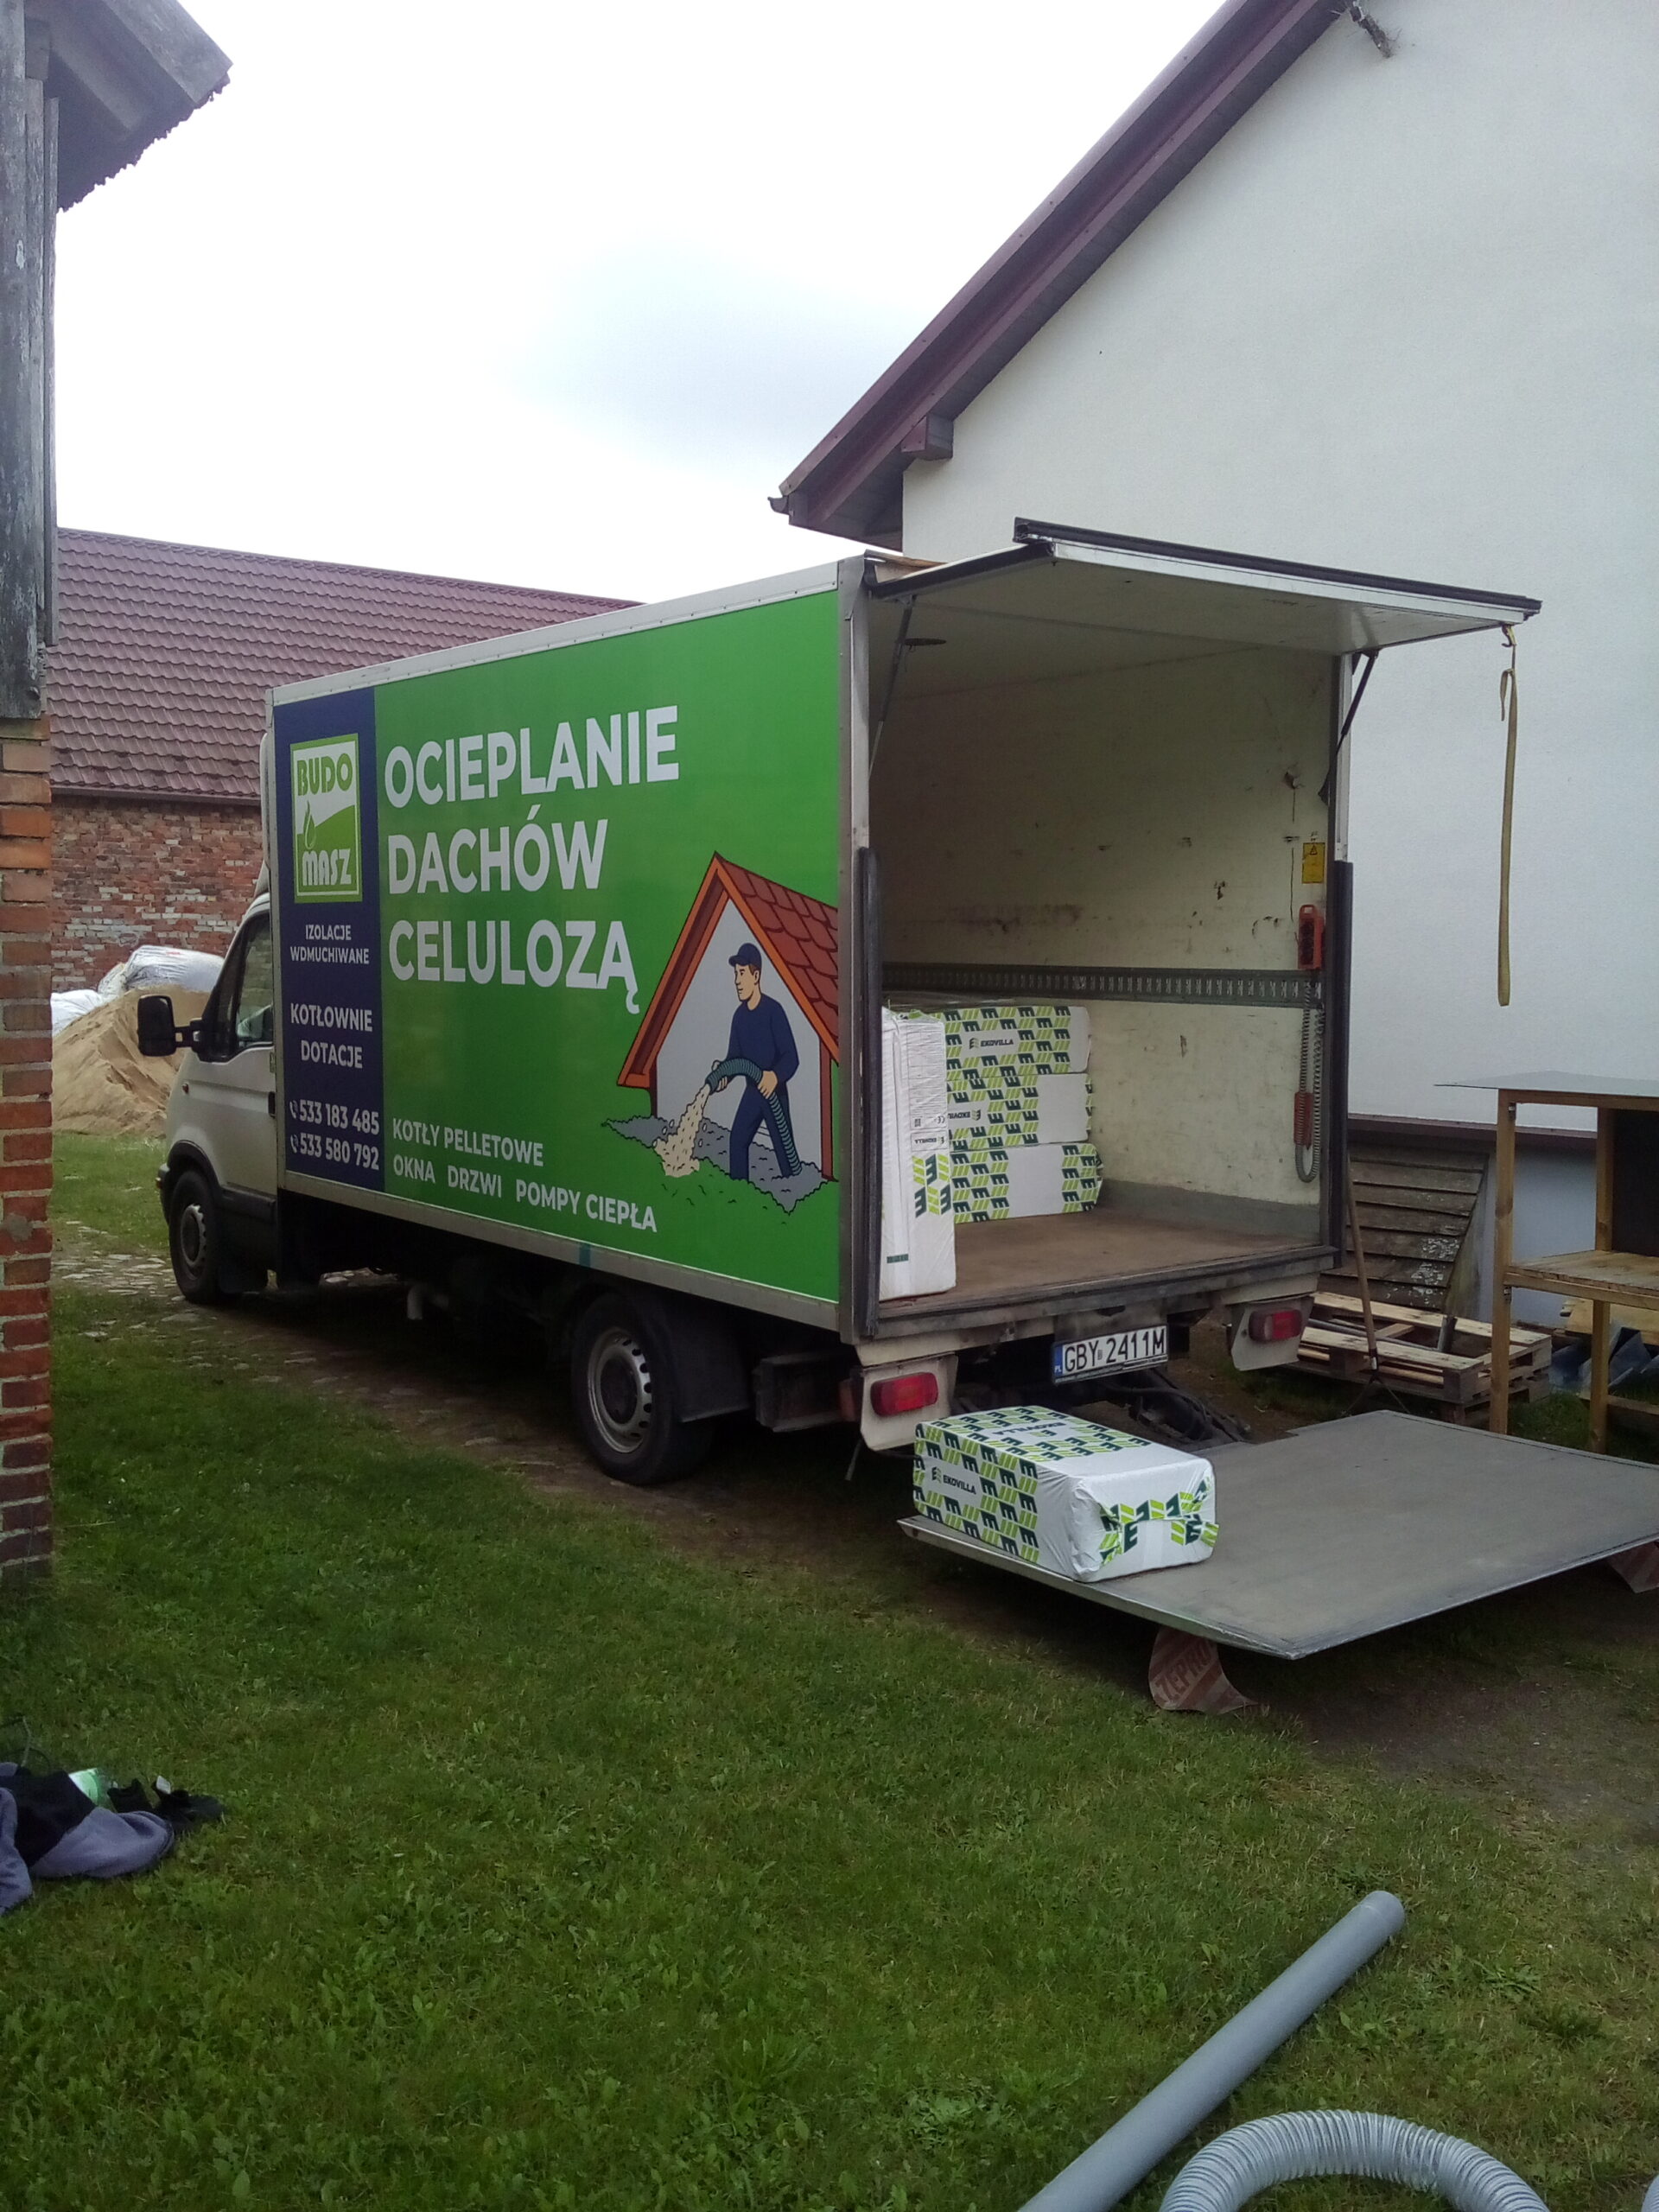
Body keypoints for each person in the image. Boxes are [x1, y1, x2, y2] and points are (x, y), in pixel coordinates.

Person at [716, 943, 799, 1182]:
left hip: (774, 1093)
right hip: (753, 1092)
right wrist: (723, 1074)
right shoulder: (739, 1017)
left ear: (756, 976)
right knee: (737, 1140)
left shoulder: (774, 1011)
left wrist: (774, 1076)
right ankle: (739, 1191)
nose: (737, 981)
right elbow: (735, 1058)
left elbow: (791, 1057)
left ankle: (793, 1191)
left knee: (785, 1153)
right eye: (736, 974)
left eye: (742, 973)